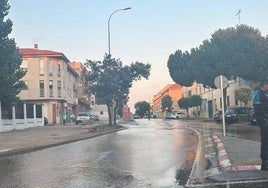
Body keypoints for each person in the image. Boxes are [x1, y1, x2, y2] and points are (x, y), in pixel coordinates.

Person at [253, 78, 268, 170]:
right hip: (264, 120)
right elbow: (258, 109)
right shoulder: (258, 94)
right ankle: (265, 162)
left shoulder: (266, 94)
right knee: (265, 141)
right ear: (264, 85)